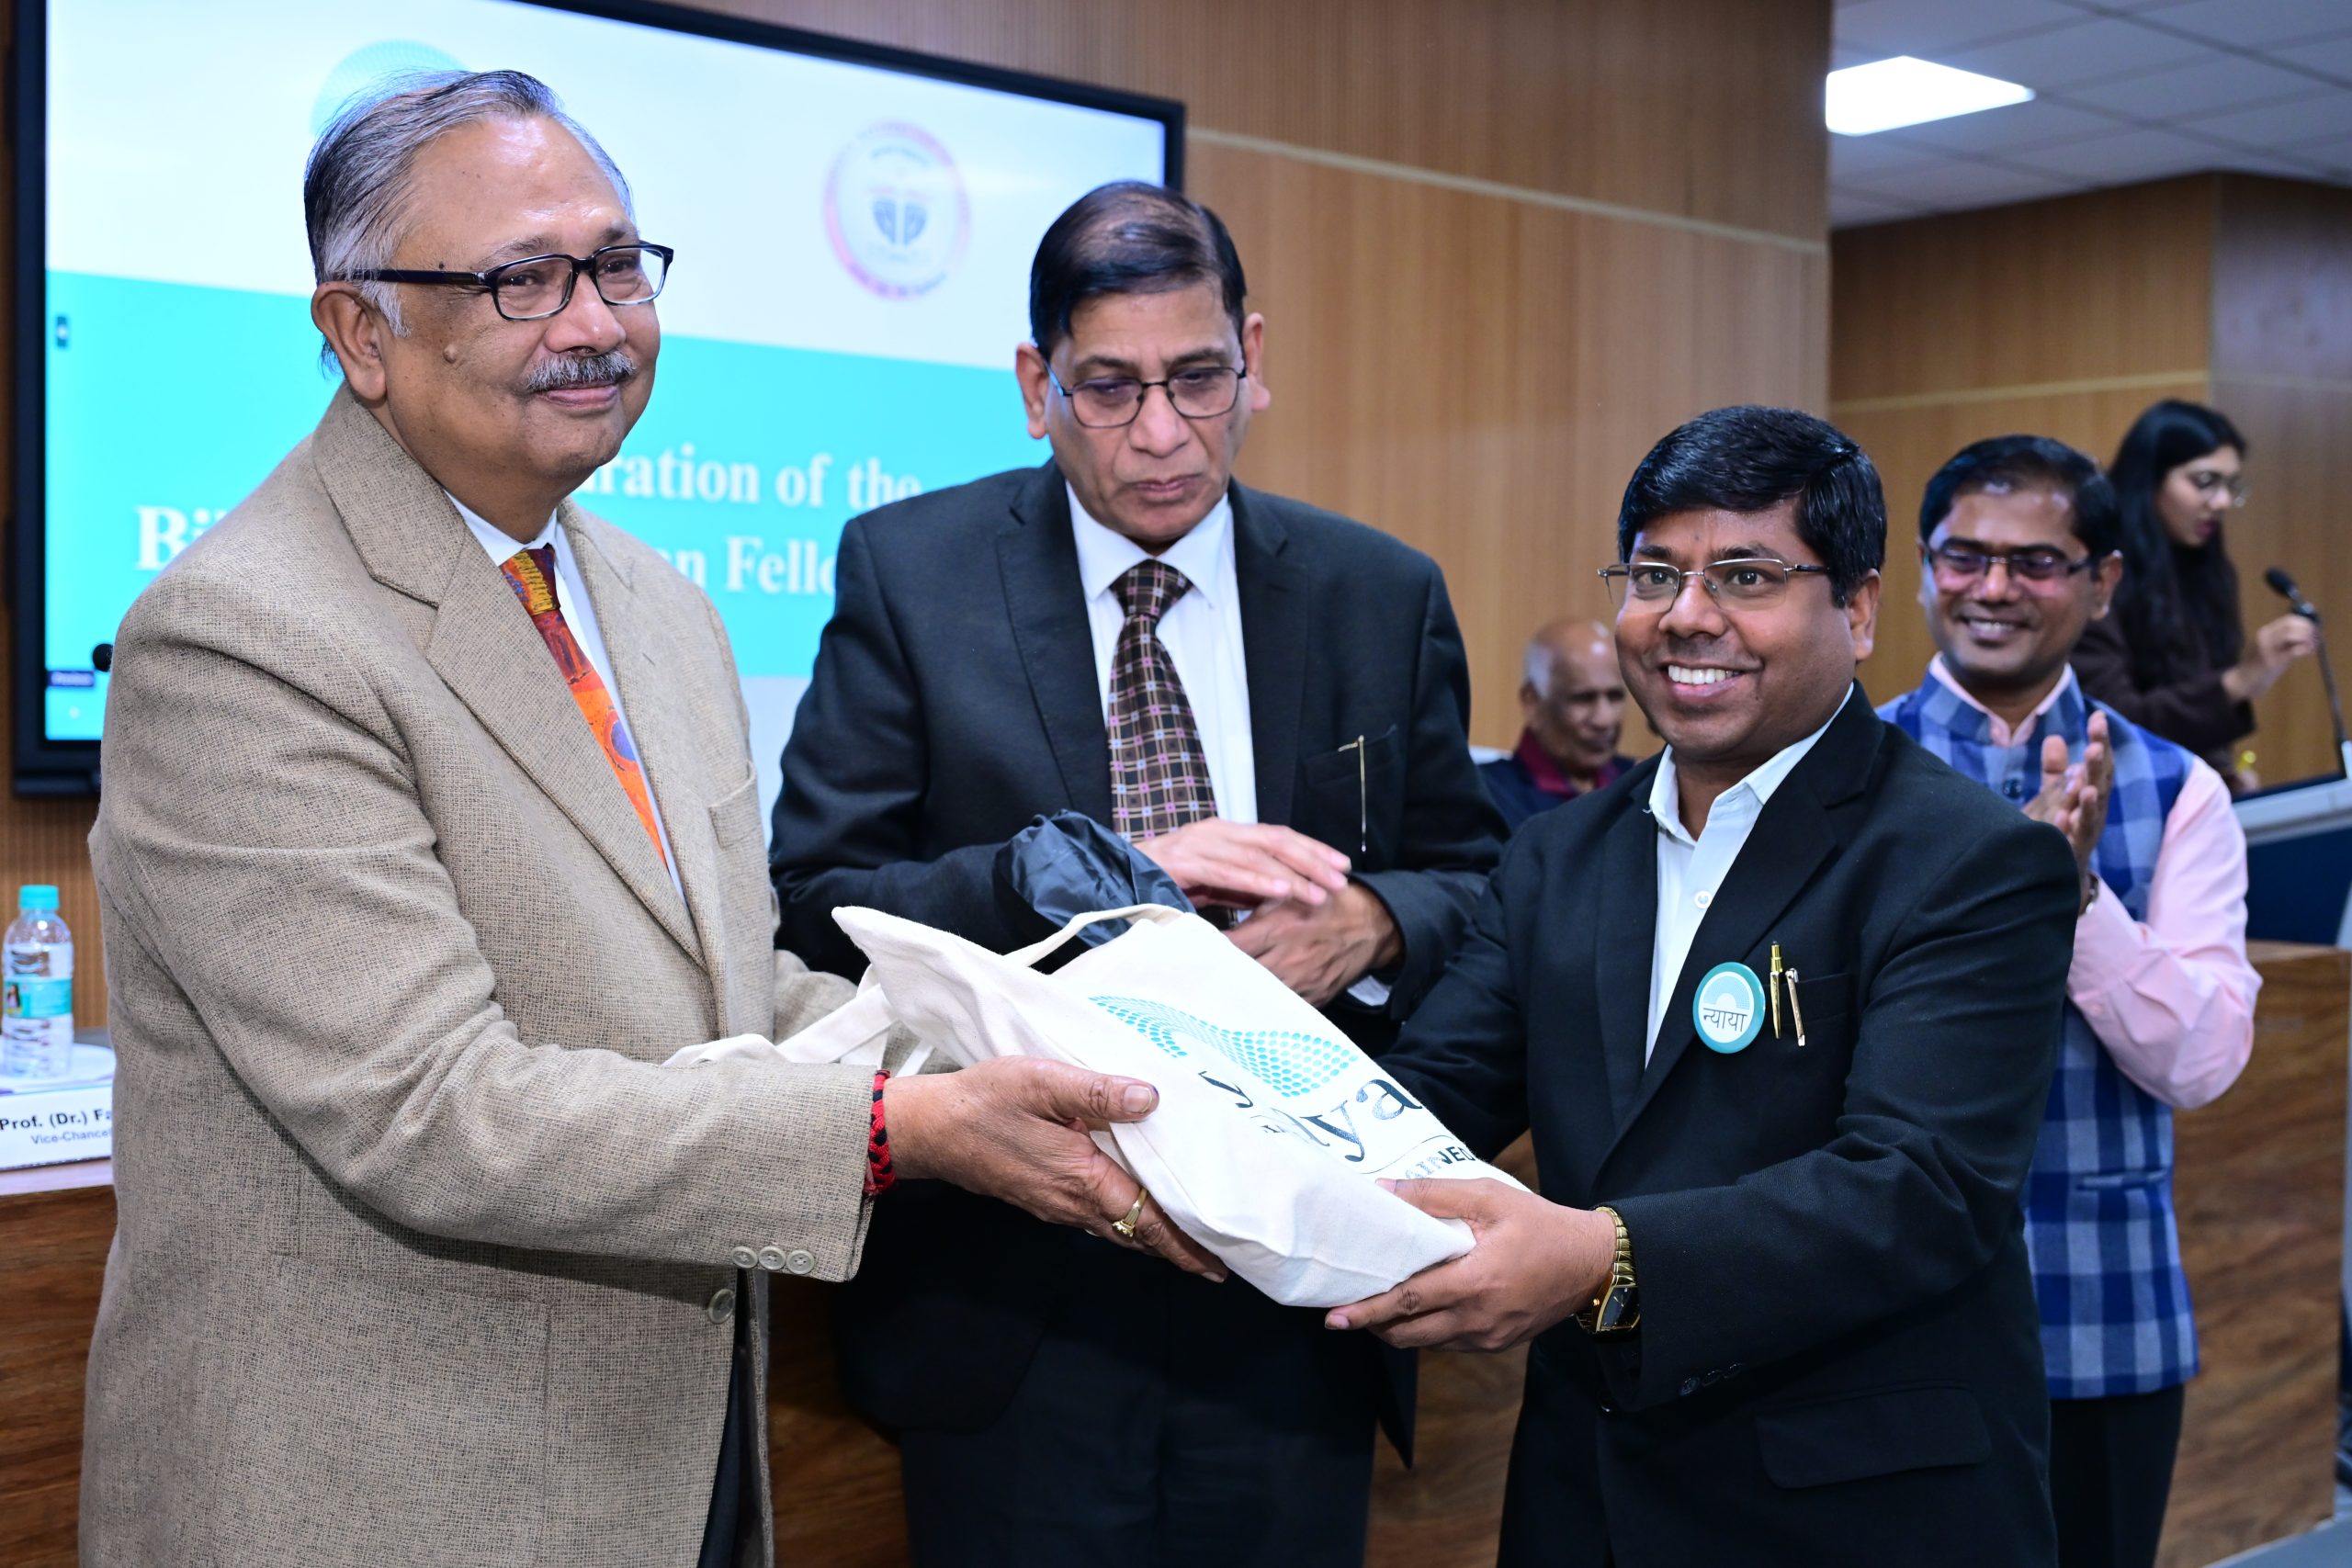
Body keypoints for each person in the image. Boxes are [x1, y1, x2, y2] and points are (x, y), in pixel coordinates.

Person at [78, 73, 1214, 1568]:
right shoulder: (244, 633)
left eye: (617, 265)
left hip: (668, 1474)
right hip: (386, 1500)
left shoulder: (660, 605)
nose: (596, 322)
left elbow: (741, 990)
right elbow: (432, 1109)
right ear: (360, 332)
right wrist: (907, 1129)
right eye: (522, 279)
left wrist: (1044, 1054)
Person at [769, 180, 1504, 1565]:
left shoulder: (1376, 591)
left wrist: (1372, 920)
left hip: (1298, 1295)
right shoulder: (914, 575)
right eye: (1108, 387)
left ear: (1254, 357)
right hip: (1018, 1301)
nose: (1162, 432)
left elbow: (1478, 878)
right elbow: (818, 903)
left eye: (1198, 377)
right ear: (1035, 385)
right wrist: (1083, 873)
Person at [1328, 405, 2084, 1567]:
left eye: (1745, 576)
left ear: (1858, 609)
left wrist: (1603, 1257)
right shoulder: (1555, 856)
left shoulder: (1968, 858)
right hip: (1587, 1499)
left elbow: (1919, 1189)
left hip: (1853, 1511)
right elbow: (1426, 1099)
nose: (1686, 615)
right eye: (1654, 574)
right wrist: (1200, 1091)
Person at [1880, 434, 2258, 1568]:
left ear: (2102, 583)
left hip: (2102, 1308)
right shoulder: (1839, 770)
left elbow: (2199, 1061)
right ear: (1922, 568)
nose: (1992, 589)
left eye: (2036, 563)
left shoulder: (2179, 789)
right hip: (1882, 1318)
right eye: (1964, 557)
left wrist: (2075, 894)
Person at [2073, 400, 2316, 790]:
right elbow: (2115, 724)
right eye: (2205, 482)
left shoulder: (2205, 567)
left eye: (2230, 485)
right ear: (2149, 479)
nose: (2221, 502)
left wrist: (2222, 774)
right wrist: (2239, 681)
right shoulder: (2098, 572)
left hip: (2191, 794)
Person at [1479, 616, 1634, 829]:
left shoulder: (1642, 785)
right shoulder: (1487, 796)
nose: (1604, 720)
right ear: (1532, 702)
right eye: (1583, 698)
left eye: (1615, 696)